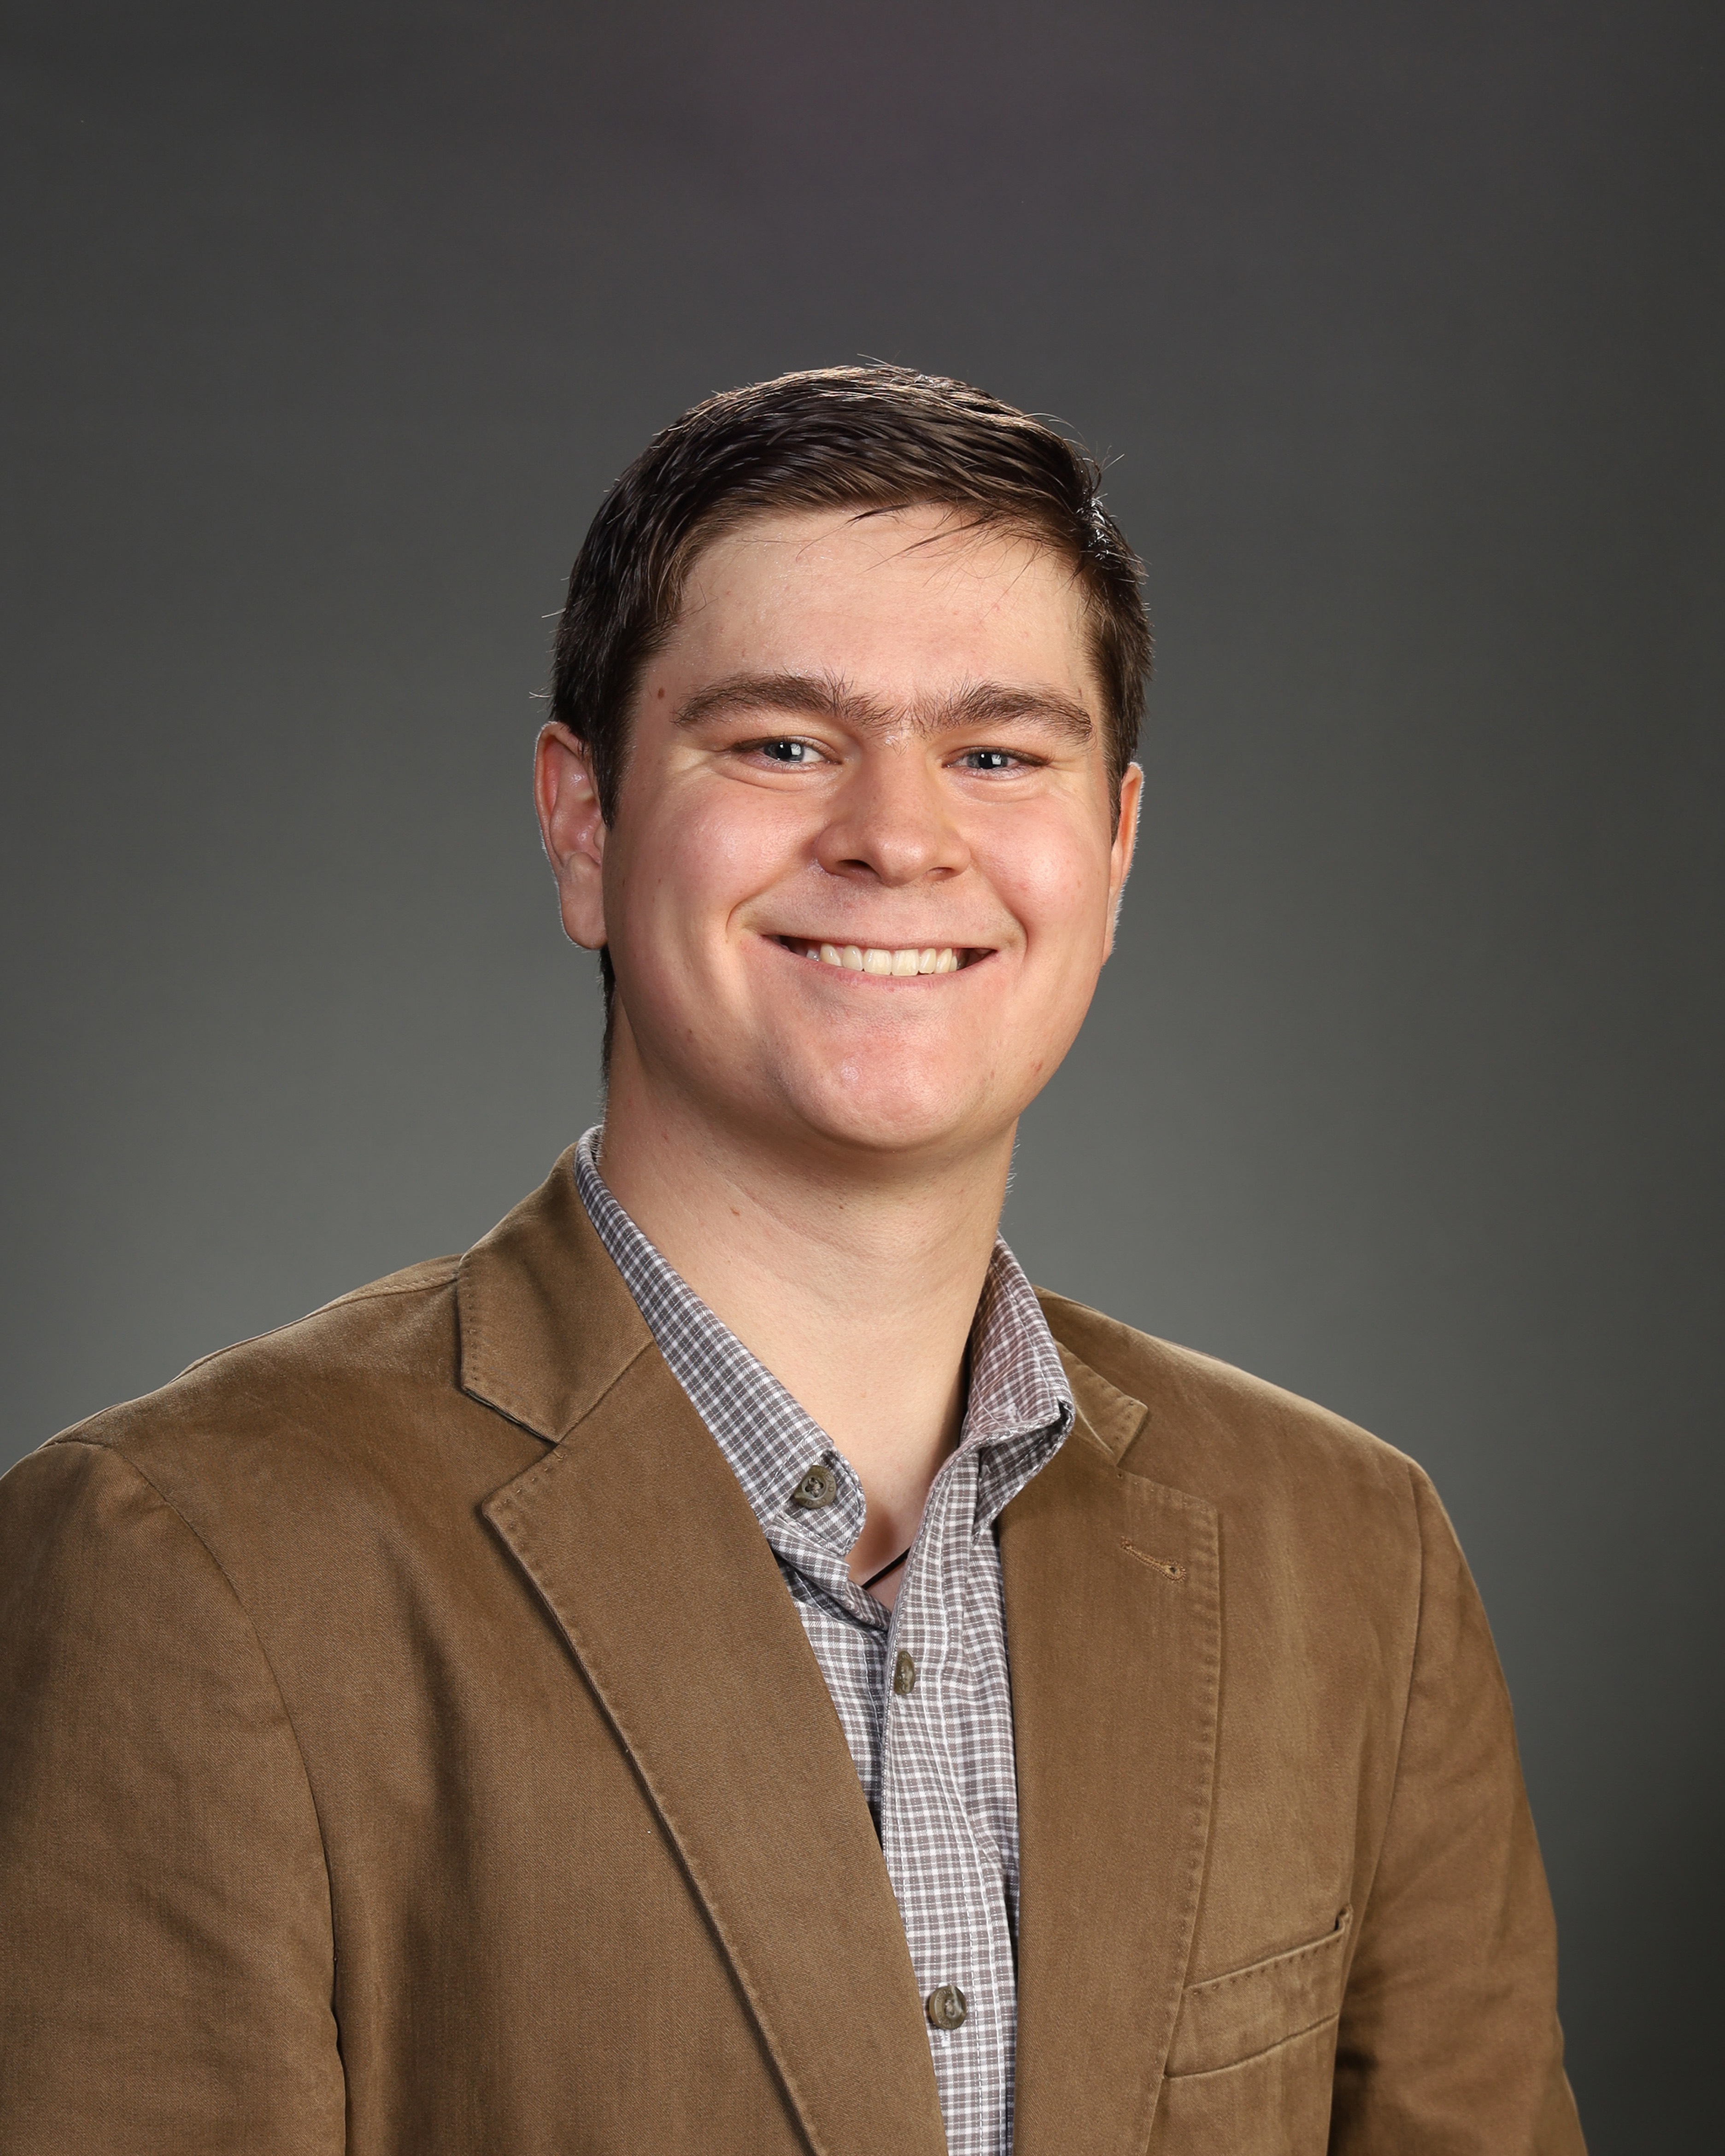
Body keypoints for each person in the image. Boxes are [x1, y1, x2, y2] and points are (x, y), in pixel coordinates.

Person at [0, 366, 1584, 2155]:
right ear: (585, 826)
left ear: (1115, 851)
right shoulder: (183, 1562)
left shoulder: (1353, 1556)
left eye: (998, 754)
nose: (900, 836)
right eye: (779, 745)